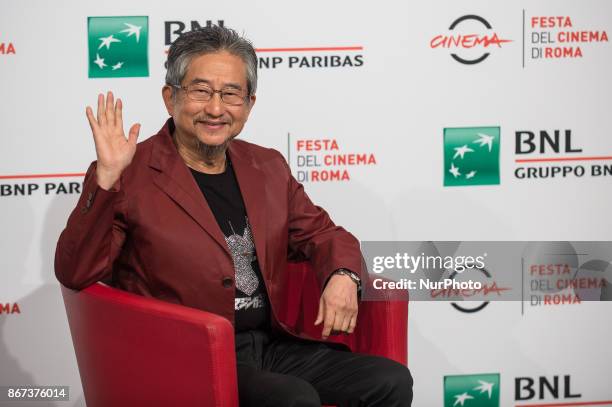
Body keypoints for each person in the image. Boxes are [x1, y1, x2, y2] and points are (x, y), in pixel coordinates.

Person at [55, 25, 413, 406]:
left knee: (389, 380)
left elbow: (324, 234)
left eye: (230, 94)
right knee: (293, 399)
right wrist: (106, 179)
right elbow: (75, 271)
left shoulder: (267, 166)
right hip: (185, 356)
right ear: (170, 98)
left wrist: (344, 274)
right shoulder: (130, 172)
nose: (215, 108)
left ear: (249, 104)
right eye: (201, 91)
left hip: (270, 346)